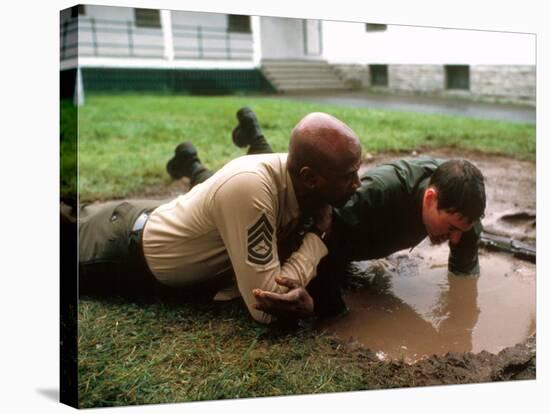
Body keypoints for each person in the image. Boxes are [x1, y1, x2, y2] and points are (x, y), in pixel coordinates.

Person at [169, 108, 486, 319]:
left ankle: (253, 135)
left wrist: (460, 307)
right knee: (260, 200)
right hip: (317, 211)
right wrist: (329, 309)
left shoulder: (463, 210)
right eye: (451, 228)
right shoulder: (369, 202)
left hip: (319, 197)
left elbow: (464, 271)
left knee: (278, 182)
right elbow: (320, 243)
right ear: (430, 198)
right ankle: (194, 165)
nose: (455, 238)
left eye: (463, 229)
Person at [77, 111, 363, 324]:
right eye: (349, 176)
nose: (358, 184)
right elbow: (265, 305)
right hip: (120, 249)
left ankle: (188, 160)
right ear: (310, 178)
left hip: (165, 215)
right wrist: (318, 238)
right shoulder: (251, 187)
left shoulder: (298, 180)